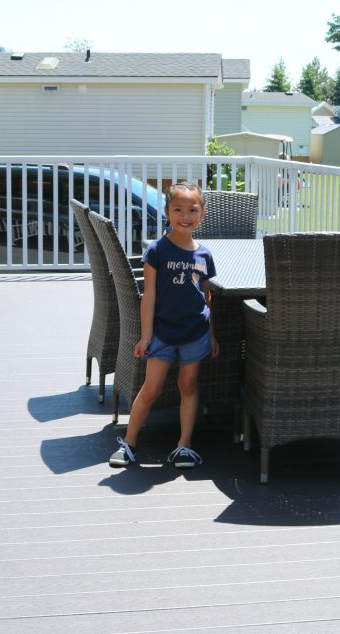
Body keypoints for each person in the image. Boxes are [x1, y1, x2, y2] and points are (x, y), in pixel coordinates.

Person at [109, 182, 218, 469]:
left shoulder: (204, 255)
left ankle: (184, 445)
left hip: (195, 332)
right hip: (163, 333)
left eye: (192, 210)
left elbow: (206, 296)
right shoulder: (157, 251)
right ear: (167, 213)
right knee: (151, 388)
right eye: (178, 209)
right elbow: (150, 296)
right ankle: (129, 443)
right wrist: (146, 337)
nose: (186, 215)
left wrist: (212, 333)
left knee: (188, 385)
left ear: (202, 214)